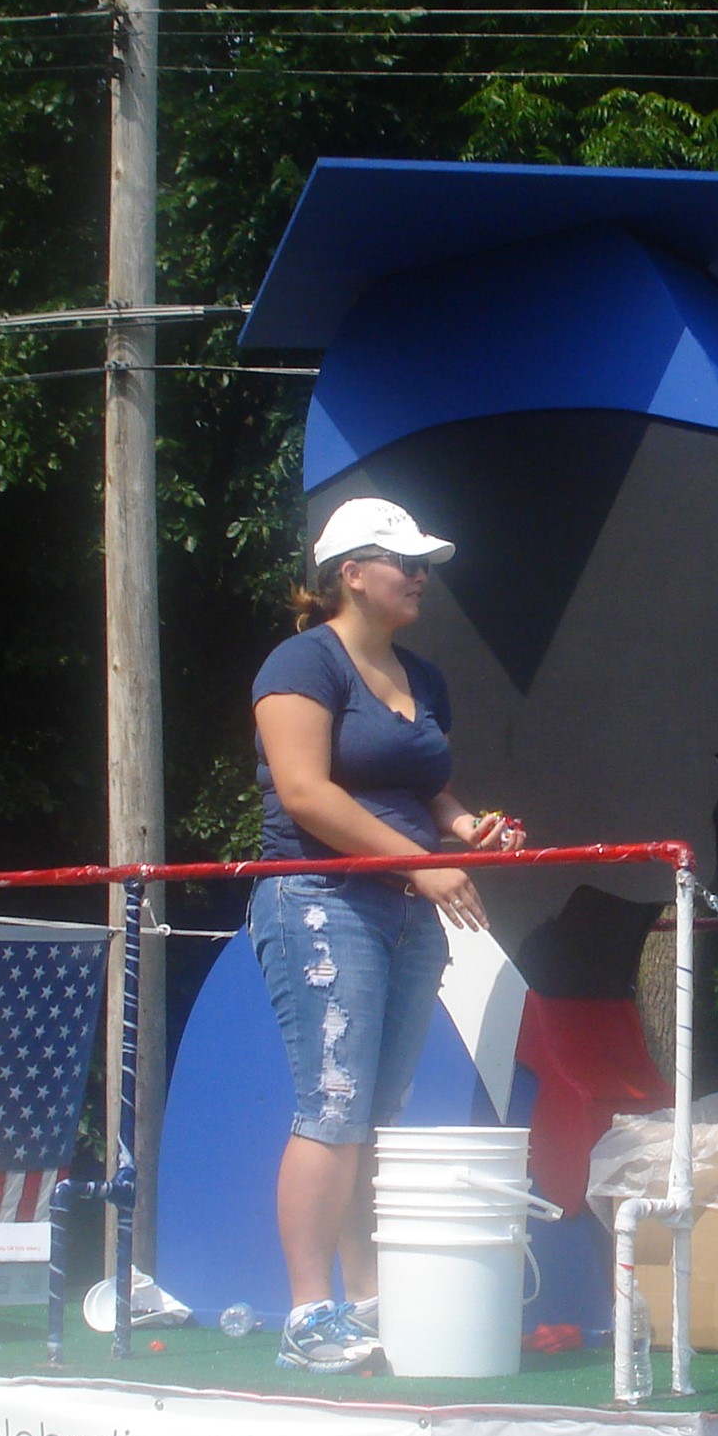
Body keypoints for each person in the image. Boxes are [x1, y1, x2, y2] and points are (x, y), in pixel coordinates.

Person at [251, 496, 524, 1370]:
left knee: (374, 1114)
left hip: (409, 909)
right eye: (404, 562)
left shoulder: (424, 676)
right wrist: (419, 864)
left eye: (424, 564)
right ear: (351, 573)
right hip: (320, 899)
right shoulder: (301, 661)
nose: (419, 577)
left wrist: (468, 829)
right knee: (334, 1106)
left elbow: (427, 790)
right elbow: (305, 794)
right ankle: (307, 1317)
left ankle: (367, 1303)